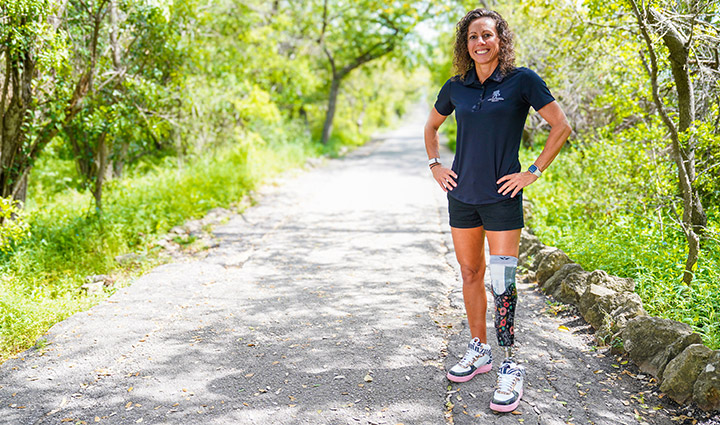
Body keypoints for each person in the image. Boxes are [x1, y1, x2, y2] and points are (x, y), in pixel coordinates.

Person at [424, 8, 571, 413]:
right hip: (462, 199)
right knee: (471, 274)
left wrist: (532, 172)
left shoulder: (521, 80)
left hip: (503, 197)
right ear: (465, 44)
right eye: (473, 36)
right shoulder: (457, 87)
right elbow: (431, 128)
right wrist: (436, 166)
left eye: (487, 35)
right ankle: (479, 350)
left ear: (500, 40)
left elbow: (561, 125)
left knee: (503, 283)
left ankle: (510, 365)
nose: (480, 43)